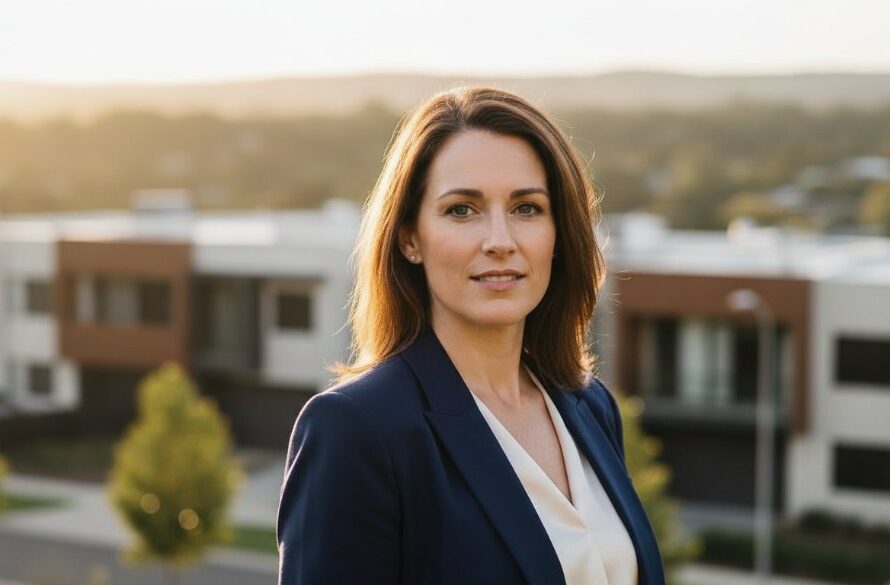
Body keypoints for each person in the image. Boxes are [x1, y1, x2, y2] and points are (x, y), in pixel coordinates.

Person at [276, 86, 665, 585]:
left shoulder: (589, 405)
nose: (500, 241)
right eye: (462, 210)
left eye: (527, 208)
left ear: (558, 233)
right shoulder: (356, 430)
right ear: (410, 238)